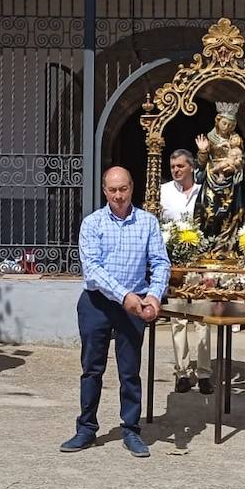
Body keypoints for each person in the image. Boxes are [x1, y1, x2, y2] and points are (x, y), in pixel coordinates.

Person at [60, 167, 168, 457]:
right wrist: (124, 296)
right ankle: (86, 428)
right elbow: (92, 270)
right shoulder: (92, 224)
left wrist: (154, 297)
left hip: (136, 304)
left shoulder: (148, 223)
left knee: (130, 370)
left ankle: (131, 430)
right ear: (104, 191)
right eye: (112, 190)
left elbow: (160, 263)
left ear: (132, 188)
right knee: (92, 368)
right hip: (98, 303)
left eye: (123, 189)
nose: (118, 196)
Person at [158, 148, 210, 394]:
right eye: (173, 167)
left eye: (180, 166)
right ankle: (181, 371)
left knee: (202, 319)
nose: (176, 170)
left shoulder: (205, 191)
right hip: (175, 264)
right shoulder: (163, 192)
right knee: (178, 319)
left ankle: (204, 373)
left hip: (200, 262)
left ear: (191, 166)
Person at [194, 101, 245, 252]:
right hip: (212, 179)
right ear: (218, 121)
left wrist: (237, 165)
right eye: (224, 123)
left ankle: (226, 247)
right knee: (209, 212)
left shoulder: (236, 139)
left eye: (231, 125)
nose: (227, 127)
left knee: (229, 214)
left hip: (231, 184)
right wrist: (203, 152)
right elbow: (201, 164)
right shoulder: (210, 138)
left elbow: (241, 159)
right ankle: (208, 245)